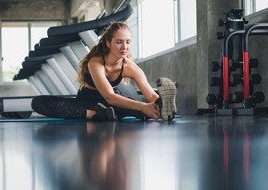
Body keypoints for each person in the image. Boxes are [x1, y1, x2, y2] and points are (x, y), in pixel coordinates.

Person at [31, 22, 177, 121]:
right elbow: (109, 96)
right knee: (38, 103)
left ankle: (163, 107)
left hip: (114, 102)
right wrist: (142, 106)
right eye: (119, 42)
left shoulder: (131, 67)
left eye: (128, 42)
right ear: (108, 43)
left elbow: (149, 94)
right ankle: (97, 114)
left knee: (145, 111)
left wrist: (156, 102)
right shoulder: (96, 62)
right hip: (87, 101)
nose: (124, 47)